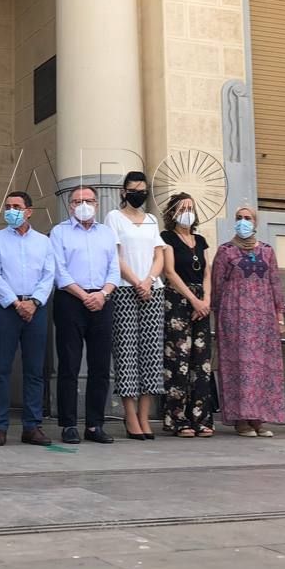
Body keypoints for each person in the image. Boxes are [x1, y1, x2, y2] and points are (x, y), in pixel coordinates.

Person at [50, 185, 121, 444]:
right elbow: (59, 270)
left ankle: (95, 424)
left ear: (97, 205)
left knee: (100, 366)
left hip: (102, 301)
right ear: (70, 206)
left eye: (88, 200)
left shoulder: (106, 233)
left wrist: (102, 294)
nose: (83, 204)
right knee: (69, 364)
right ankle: (68, 423)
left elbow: (114, 269)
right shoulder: (59, 232)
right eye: (78, 201)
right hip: (71, 300)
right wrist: (84, 296)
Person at [0, 191, 56, 447]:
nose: (11, 210)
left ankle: (32, 426)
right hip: (7, 308)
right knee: (1, 369)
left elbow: (49, 275)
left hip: (36, 309)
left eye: (16, 206)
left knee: (35, 370)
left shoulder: (43, 242)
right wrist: (16, 303)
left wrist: (34, 302)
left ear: (29, 211)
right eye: (8, 206)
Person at [210, 206, 285, 437]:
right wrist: (218, 314)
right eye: (239, 218)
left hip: (264, 318)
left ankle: (258, 418)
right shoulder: (225, 251)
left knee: (263, 367)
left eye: (248, 218)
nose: (243, 222)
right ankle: (241, 419)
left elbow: (275, 283)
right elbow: (217, 286)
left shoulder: (267, 251)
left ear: (255, 222)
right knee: (239, 366)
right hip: (235, 316)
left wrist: (279, 315)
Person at [105, 171, 166, 440]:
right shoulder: (113, 218)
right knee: (126, 352)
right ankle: (130, 416)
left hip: (153, 291)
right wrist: (137, 282)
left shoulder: (152, 220)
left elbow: (159, 255)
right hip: (125, 291)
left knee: (151, 354)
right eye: (133, 189)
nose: (138, 194)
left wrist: (149, 280)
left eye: (142, 189)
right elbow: (115, 256)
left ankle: (144, 416)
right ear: (123, 191)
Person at [159, 193, 217, 438]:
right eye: (183, 208)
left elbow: (207, 272)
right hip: (178, 301)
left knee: (201, 362)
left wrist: (205, 300)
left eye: (191, 208)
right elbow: (170, 272)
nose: (188, 212)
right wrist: (192, 300)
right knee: (178, 361)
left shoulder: (201, 240)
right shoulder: (167, 238)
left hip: (201, 303)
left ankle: (201, 417)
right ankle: (178, 417)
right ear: (172, 212)